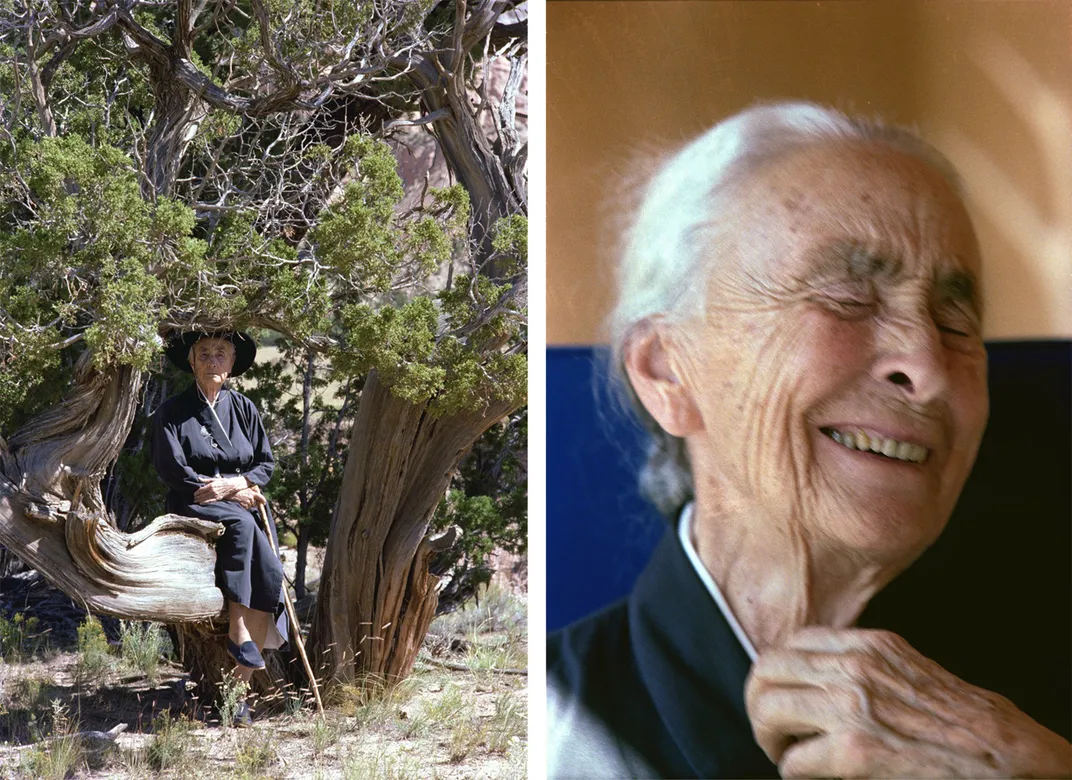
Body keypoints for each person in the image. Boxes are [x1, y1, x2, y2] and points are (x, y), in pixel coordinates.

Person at [546, 102, 1072, 778]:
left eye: (955, 317)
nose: (929, 368)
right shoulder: (552, 727)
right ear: (667, 371)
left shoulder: (1034, 717)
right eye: (846, 297)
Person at [151, 330, 287, 726]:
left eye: (221, 354)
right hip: (194, 501)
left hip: (242, 500)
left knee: (270, 572)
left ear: (231, 364)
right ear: (192, 362)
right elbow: (172, 466)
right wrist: (218, 491)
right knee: (243, 527)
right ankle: (238, 629)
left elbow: (265, 463)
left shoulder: (244, 408)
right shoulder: (173, 411)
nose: (213, 361)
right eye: (205, 354)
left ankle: (237, 696)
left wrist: (239, 485)